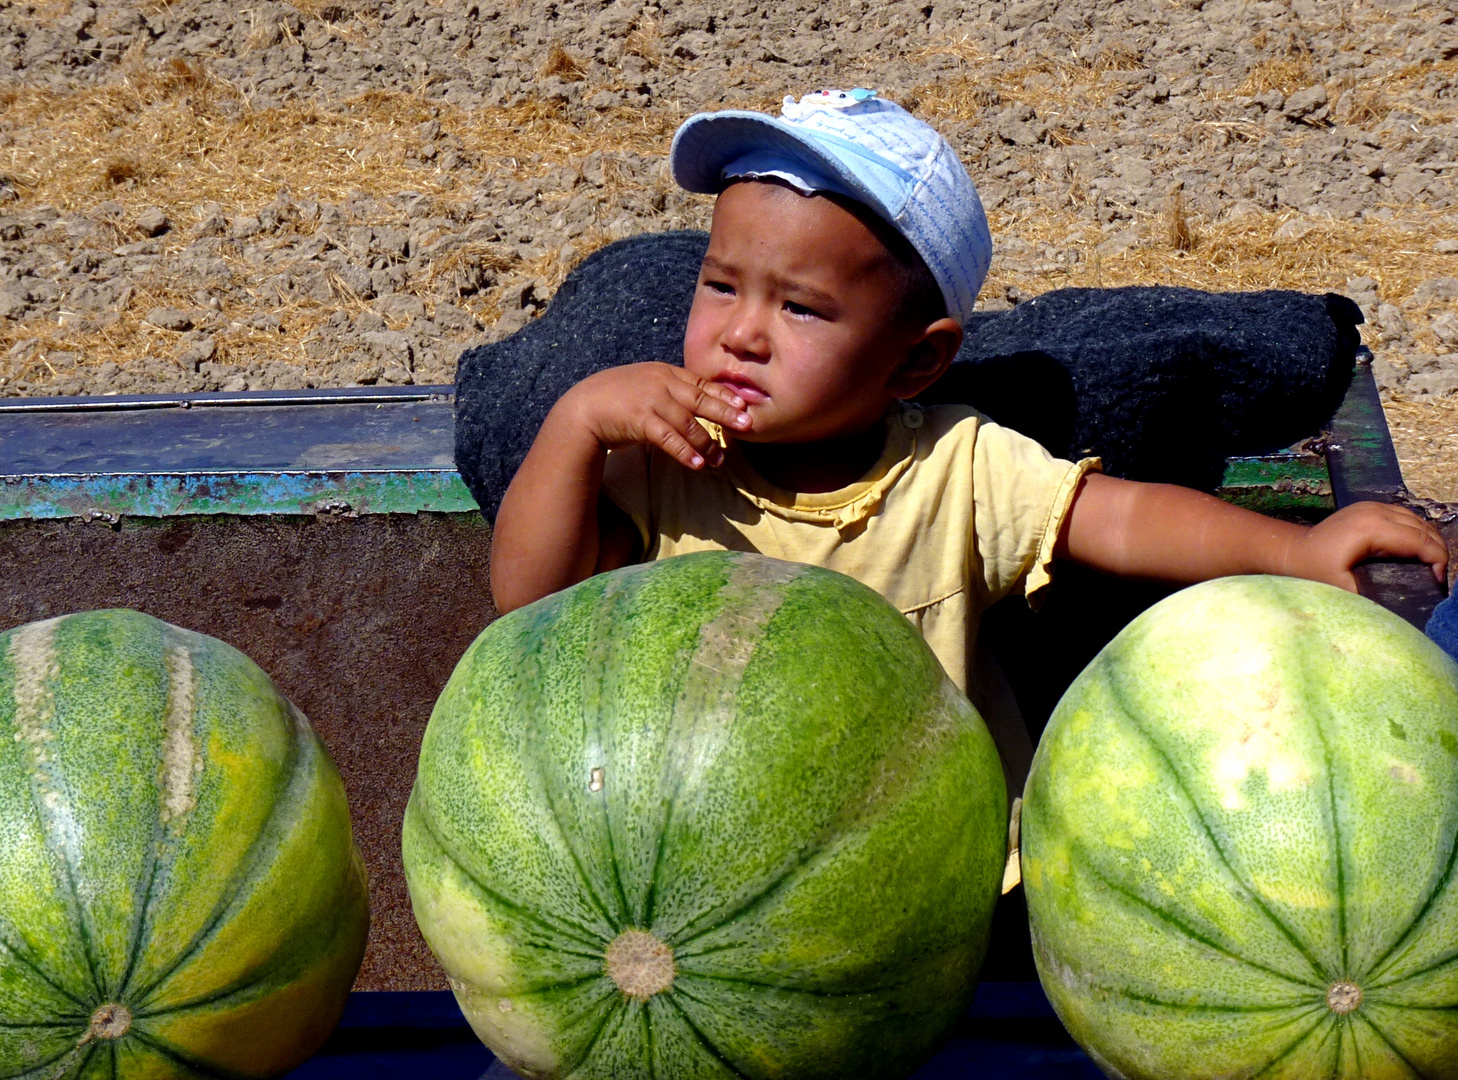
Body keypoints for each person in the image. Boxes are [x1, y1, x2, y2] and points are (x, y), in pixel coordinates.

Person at [489, 88, 1448, 778]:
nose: (742, 333)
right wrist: (574, 427)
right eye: (722, 285)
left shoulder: (959, 468)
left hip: (939, 894)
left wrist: (1300, 550)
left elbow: (1123, 522)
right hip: (703, 883)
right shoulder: (669, 467)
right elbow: (529, 603)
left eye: (802, 310)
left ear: (916, 360)